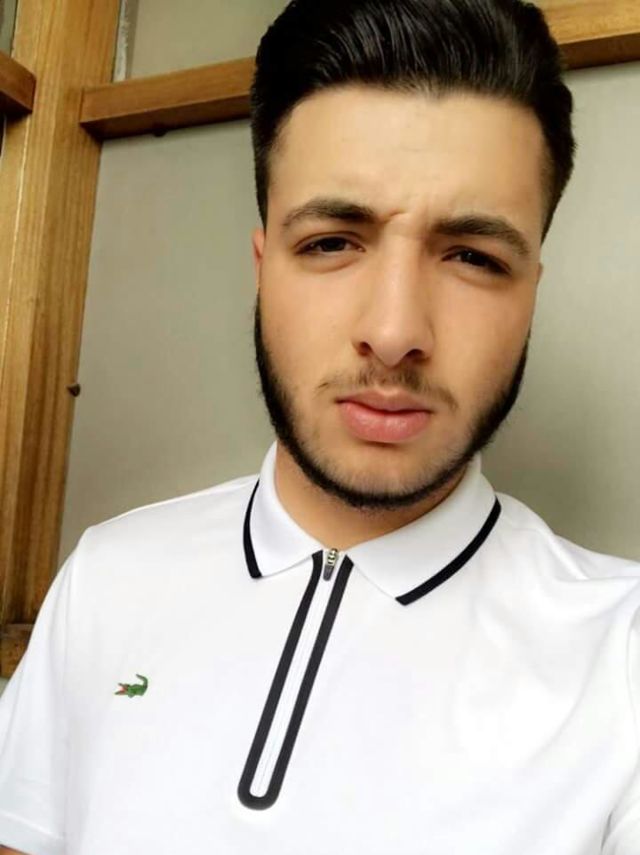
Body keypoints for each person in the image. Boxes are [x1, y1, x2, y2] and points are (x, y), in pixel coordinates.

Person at [1, 0, 638, 852]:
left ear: (531, 292)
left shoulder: (622, 653)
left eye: (474, 256)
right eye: (333, 242)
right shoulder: (108, 576)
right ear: (264, 268)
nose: (395, 330)